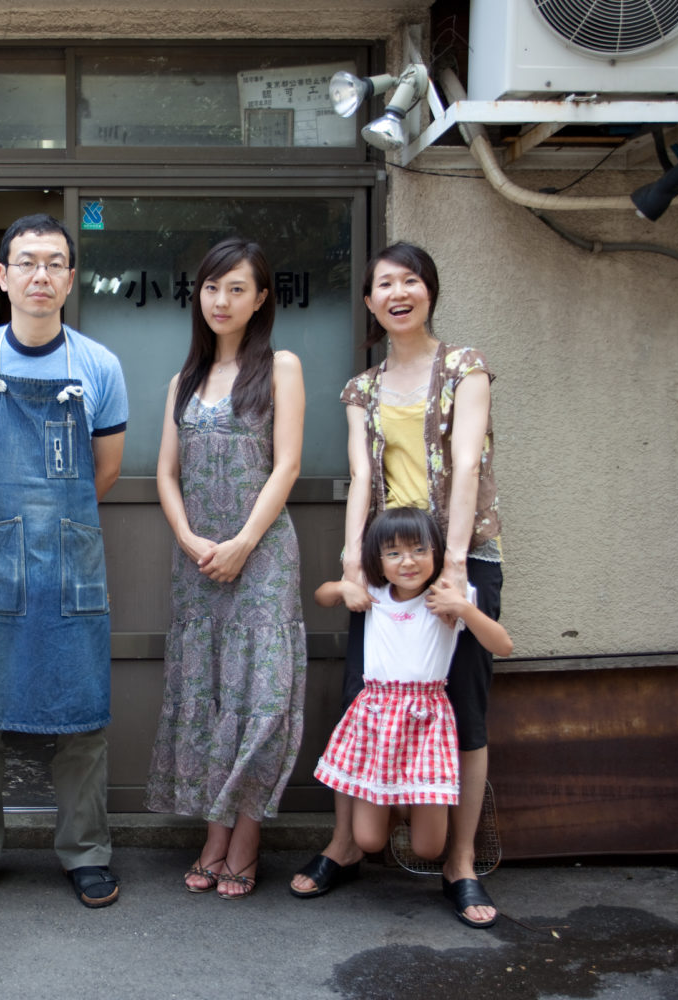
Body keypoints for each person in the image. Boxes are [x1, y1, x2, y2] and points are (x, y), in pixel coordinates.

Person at [290, 242, 506, 929]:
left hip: (462, 556)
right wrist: (353, 563)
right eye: (384, 284)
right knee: (364, 696)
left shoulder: (466, 368)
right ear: (370, 302)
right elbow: (362, 477)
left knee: (464, 708)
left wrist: (456, 563)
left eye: (410, 281)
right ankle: (346, 844)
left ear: (429, 291)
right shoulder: (363, 388)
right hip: (390, 561)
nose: (398, 293)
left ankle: (460, 862)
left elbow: (466, 464)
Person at [0, 214, 128, 909]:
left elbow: (106, 468)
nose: (40, 275)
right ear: (3, 276)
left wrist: (54, 521)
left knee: (83, 712)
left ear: (70, 279)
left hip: (72, 557)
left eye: (54, 263)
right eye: (26, 262)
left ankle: (86, 851)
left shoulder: (99, 365)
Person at [144, 237, 306, 899]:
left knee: (259, 698)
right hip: (197, 562)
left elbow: (287, 465)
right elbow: (166, 472)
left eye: (237, 288)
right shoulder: (182, 381)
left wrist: (242, 542)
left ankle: (246, 838)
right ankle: (214, 834)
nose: (222, 300)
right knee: (209, 695)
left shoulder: (282, 367)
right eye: (213, 287)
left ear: (261, 298)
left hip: (261, 559)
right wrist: (188, 536)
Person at [311, 508, 511, 885]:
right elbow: (321, 597)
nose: (408, 561)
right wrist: (341, 588)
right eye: (394, 553)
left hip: (426, 723)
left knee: (428, 848)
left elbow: (502, 645)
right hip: (376, 720)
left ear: (436, 552)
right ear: (377, 560)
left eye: (419, 550)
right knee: (367, 839)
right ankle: (401, 805)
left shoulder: (447, 598)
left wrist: (465, 609)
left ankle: (413, 802)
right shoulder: (374, 593)